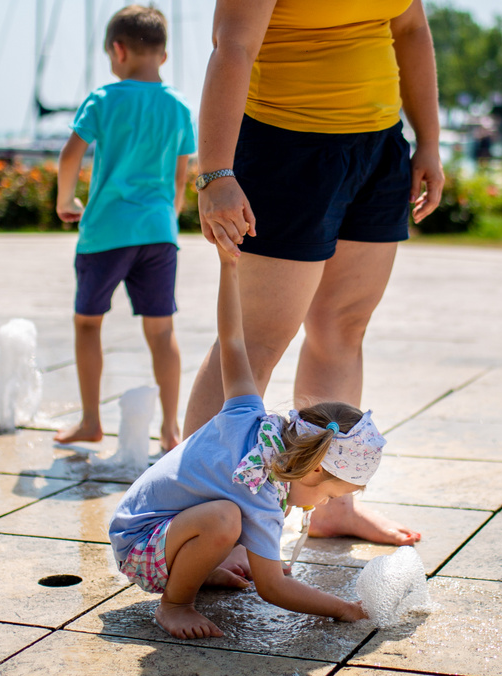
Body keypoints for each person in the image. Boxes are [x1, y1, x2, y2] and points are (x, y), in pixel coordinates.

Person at [181, 0, 444, 547]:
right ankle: (198, 518)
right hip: (286, 147)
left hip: (378, 149)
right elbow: (232, 46)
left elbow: (411, 28)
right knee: (255, 341)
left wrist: (429, 143)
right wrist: (215, 173)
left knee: (343, 328)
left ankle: (333, 503)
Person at [109, 238, 381, 639]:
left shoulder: (247, 412)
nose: (323, 505)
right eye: (330, 495)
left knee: (231, 515)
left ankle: (198, 569)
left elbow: (232, 341)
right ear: (316, 468)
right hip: (138, 547)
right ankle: (176, 604)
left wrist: (228, 268)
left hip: (150, 530)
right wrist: (343, 609)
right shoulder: (262, 491)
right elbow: (274, 589)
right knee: (225, 518)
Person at [53, 5, 195, 450]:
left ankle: (91, 420)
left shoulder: (103, 99)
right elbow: (180, 177)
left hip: (106, 231)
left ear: (117, 50)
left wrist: (66, 201)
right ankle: (171, 428)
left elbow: (70, 156)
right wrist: (166, 219)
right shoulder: (177, 107)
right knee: (161, 330)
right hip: (158, 232)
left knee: (88, 324)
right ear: (163, 56)